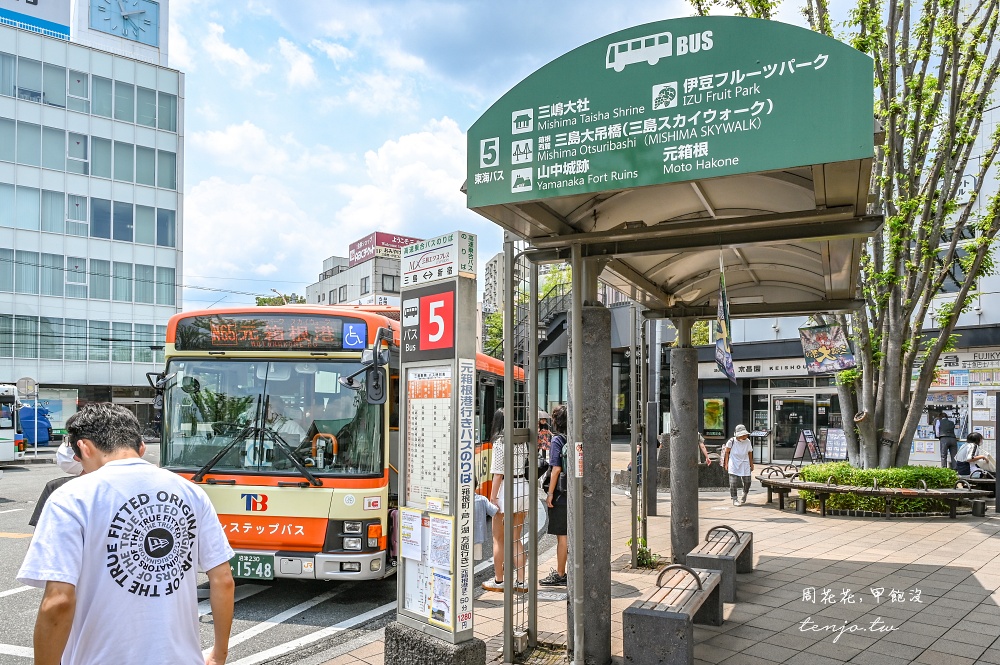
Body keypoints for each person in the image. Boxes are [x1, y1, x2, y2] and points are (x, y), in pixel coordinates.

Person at [17, 403, 235, 665]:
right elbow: (223, 580)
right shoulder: (190, 492)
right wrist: (219, 654)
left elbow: (58, 601)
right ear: (141, 446)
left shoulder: (71, 497)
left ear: (84, 448)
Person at [483, 409, 529, 593]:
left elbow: (498, 473)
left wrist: (492, 497)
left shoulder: (500, 443)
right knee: (516, 539)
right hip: (522, 487)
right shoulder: (522, 441)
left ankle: (499, 581)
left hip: (506, 489)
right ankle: (521, 582)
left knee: (499, 539)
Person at [540, 405, 568, 587]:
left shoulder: (558, 440)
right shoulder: (578, 436)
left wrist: (550, 493)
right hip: (575, 492)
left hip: (562, 495)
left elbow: (556, 468)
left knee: (562, 536)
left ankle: (560, 574)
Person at [723, 424, 754, 507]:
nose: (744, 436)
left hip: (745, 462)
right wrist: (726, 463)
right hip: (734, 463)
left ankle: (745, 492)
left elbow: (750, 452)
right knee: (733, 482)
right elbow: (727, 452)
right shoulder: (731, 441)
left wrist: (751, 464)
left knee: (747, 481)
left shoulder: (748, 441)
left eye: (745, 435)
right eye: (742, 435)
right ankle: (734, 498)